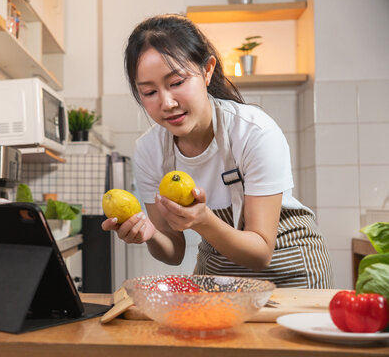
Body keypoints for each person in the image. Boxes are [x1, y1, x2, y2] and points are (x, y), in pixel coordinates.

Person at [101, 14, 333, 288]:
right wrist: (150, 233)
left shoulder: (253, 131)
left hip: (289, 272)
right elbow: (173, 252)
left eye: (176, 83)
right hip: (217, 274)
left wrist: (203, 221)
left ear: (207, 69)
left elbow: (261, 252)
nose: (167, 102)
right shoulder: (149, 150)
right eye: (149, 92)